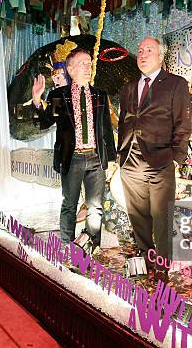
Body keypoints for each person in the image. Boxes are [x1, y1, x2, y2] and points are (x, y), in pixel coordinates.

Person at [117, 36, 191, 280]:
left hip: (161, 160)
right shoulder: (128, 87)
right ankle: (146, 258)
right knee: (138, 216)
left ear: (160, 56)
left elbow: (183, 123)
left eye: (149, 50)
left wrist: (175, 158)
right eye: (139, 50)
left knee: (162, 218)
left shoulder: (175, 84)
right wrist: (120, 154)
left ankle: (162, 268)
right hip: (130, 160)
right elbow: (124, 122)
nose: (143, 54)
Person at [31, 49, 116, 250]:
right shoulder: (60, 95)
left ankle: (90, 248)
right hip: (72, 157)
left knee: (95, 207)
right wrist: (37, 100)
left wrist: (110, 159)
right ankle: (66, 246)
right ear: (70, 69)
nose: (88, 67)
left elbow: (105, 129)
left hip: (96, 158)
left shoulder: (99, 95)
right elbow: (45, 122)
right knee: (69, 204)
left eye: (89, 63)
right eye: (82, 63)